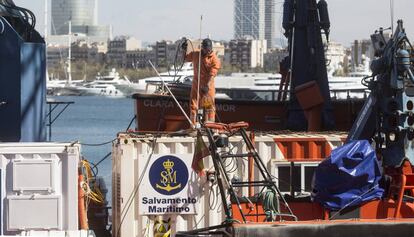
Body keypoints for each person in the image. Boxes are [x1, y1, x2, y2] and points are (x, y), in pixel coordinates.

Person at [182, 38, 221, 124]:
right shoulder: (196, 54)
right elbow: (186, 58)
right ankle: (193, 125)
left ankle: (210, 126)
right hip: (196, 84)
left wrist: (207, 86)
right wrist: (184, 49)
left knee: (208, 107)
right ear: (202, 48)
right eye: (205, 49)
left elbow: (212, 74)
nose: (207, 51)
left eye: (209, 50)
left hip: (208, 86)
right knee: (193, 105)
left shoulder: (215, 59)